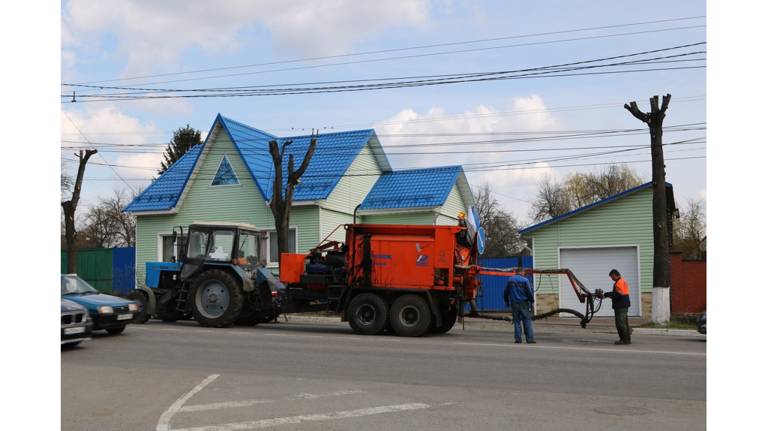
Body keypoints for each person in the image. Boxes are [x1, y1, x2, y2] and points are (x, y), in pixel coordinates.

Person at [504, 274, 536, 344]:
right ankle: (530, 339)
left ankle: (518, 339)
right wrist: (532, 301)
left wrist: (506, 301)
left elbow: (506, 291)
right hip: (524, 303)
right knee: (527, 320)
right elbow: (529, 292)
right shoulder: (525, 280)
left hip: (514, 303)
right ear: (522, 273)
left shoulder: (510, 280)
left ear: (516, 272)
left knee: (516, 321)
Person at [603, 269, 632, 345]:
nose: (611, 278)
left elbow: (618, 295)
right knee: (623, 323)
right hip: (623, 304)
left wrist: (607, 294)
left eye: (612, 277)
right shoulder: (621, 281)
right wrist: (608, 294)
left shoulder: (619, 283)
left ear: (615, 275)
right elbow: (617, 293)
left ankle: (624, 340)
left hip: (621, 305)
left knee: (620, 323)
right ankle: (627, 339)